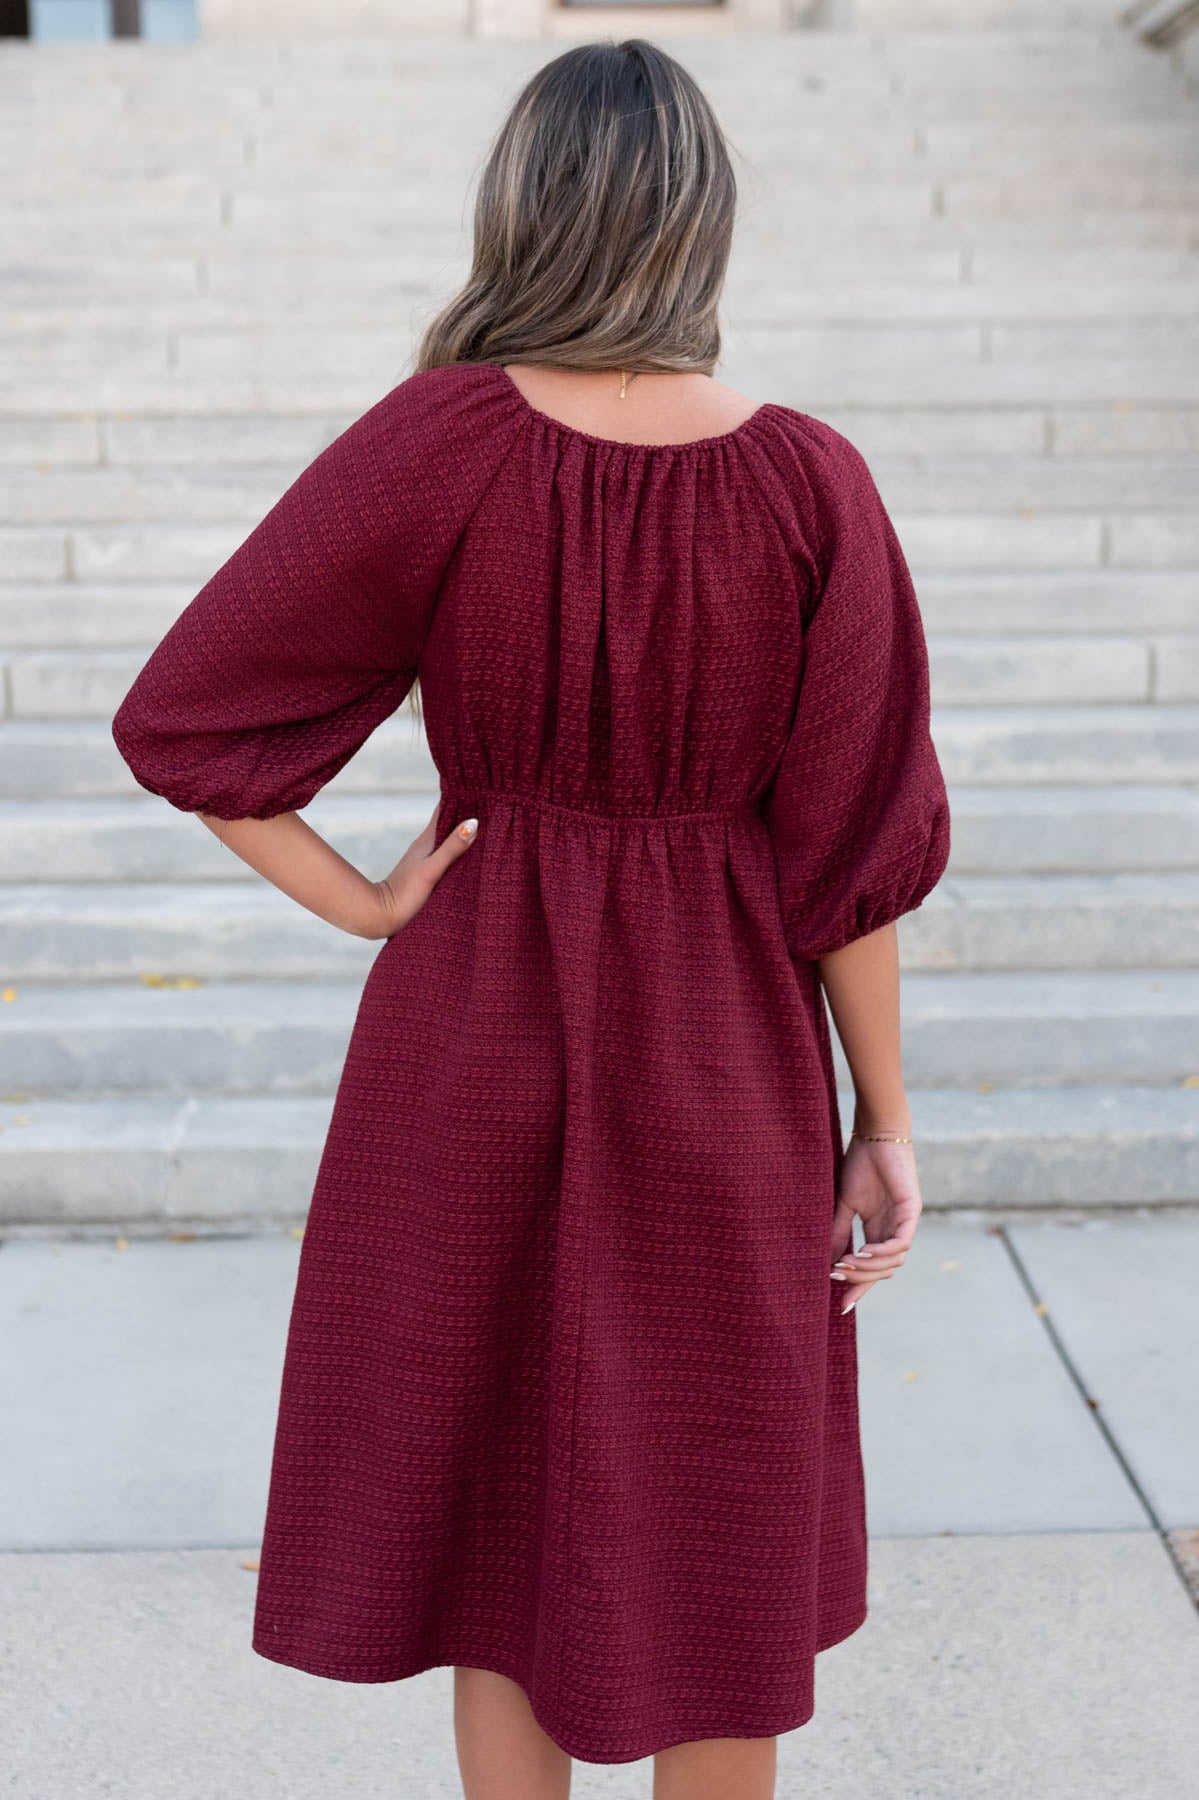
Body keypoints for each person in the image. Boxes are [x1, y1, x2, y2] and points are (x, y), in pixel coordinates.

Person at [110, 35, 950, 1800]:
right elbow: (852, 845)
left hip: (475, 1011)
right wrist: (882, 1117)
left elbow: (189, 720)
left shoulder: (442, 442)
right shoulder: (814, 482)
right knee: (723, 1497)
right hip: (729, 1037)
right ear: (702, 222)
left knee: (504, 1492)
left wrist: (363, 905)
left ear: (524, 212)